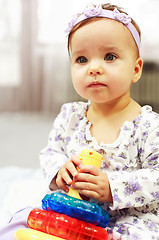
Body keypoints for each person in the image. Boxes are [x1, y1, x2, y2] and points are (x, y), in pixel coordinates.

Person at [39, 3, 159, 239]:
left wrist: (113, 187)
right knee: (35, 220)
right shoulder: (69, 116)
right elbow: (50, 152)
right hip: (76, 212)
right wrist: (59, 171)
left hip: (129, 218)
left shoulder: (148, 126)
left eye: (110, 56)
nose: (94, 68)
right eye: (82, 59)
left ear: (136, 70)